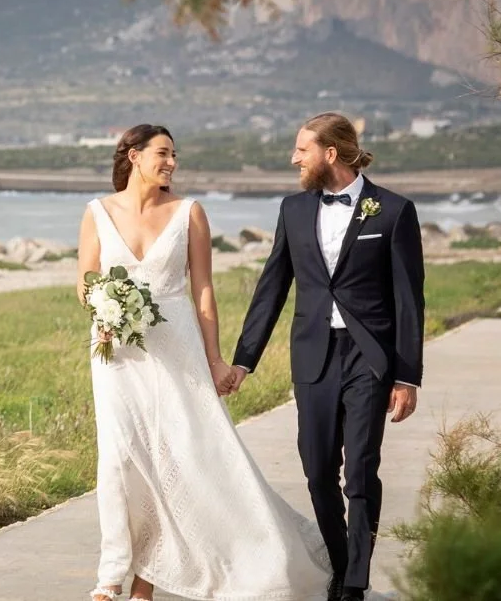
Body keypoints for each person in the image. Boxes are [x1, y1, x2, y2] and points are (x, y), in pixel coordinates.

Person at [83, 123, 329, 601]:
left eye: (175, 154)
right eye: (162, 153)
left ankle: (148, 580)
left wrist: (217, 360)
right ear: (133, 156)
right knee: (117, 460)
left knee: (181, 459)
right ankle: (111, 576)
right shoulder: (96, 212)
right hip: (117, 354)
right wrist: (103, 308)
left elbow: (203, 292)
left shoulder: (189, 213)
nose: (171, 162)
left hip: (178, 350)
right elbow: (85, 281)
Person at [231, 113, 426, 601]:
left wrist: (407, 376)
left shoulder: (393, 211)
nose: (294, 158)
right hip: (314, 357)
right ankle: (340, 566)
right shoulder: (293, 210)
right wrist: (243, 360)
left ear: (330, 154)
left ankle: (354, 582)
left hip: (370, 359)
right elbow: (272, 286)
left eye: (302, 149)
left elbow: (409, 300)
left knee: (359, 468)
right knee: (318, 470)